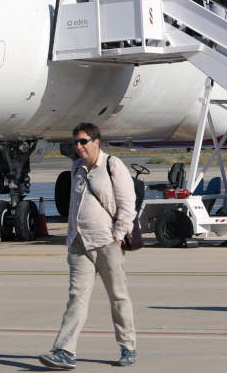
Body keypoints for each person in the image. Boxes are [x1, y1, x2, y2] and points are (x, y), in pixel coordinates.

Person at [40, 123, 137, 369]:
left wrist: (117, 238)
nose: (79, 146)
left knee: (118, 297)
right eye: (76, 142)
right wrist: (71, 236)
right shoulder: (76, 169)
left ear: (96, 142)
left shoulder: (112, 165)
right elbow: (74, 206)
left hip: (107, 243)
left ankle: (128, 347)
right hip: (79, 244)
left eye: (83, 141)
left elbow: (128, 206)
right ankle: (64, 351)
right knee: (77, 298)